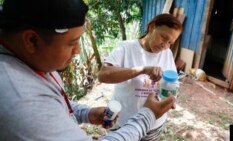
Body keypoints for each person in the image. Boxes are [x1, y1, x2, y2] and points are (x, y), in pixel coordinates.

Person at [0, 0, 176, 141]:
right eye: (71, 43)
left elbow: (57, 102)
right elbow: (104, 75)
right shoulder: (22, 103)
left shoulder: (32, 61)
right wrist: (148, 114)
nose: (77, 51)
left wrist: (84, 113)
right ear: (31, 40)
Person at [98, 13, 182, 140]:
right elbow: (103, 75)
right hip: (123, 123)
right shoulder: (126, 48)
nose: (165, 45)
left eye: (170, 42)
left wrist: (171, 97)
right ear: (152, 27)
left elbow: (172, 83)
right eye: (163, 37)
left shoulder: (167, 53)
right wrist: (142, 70)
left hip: (152, 124)